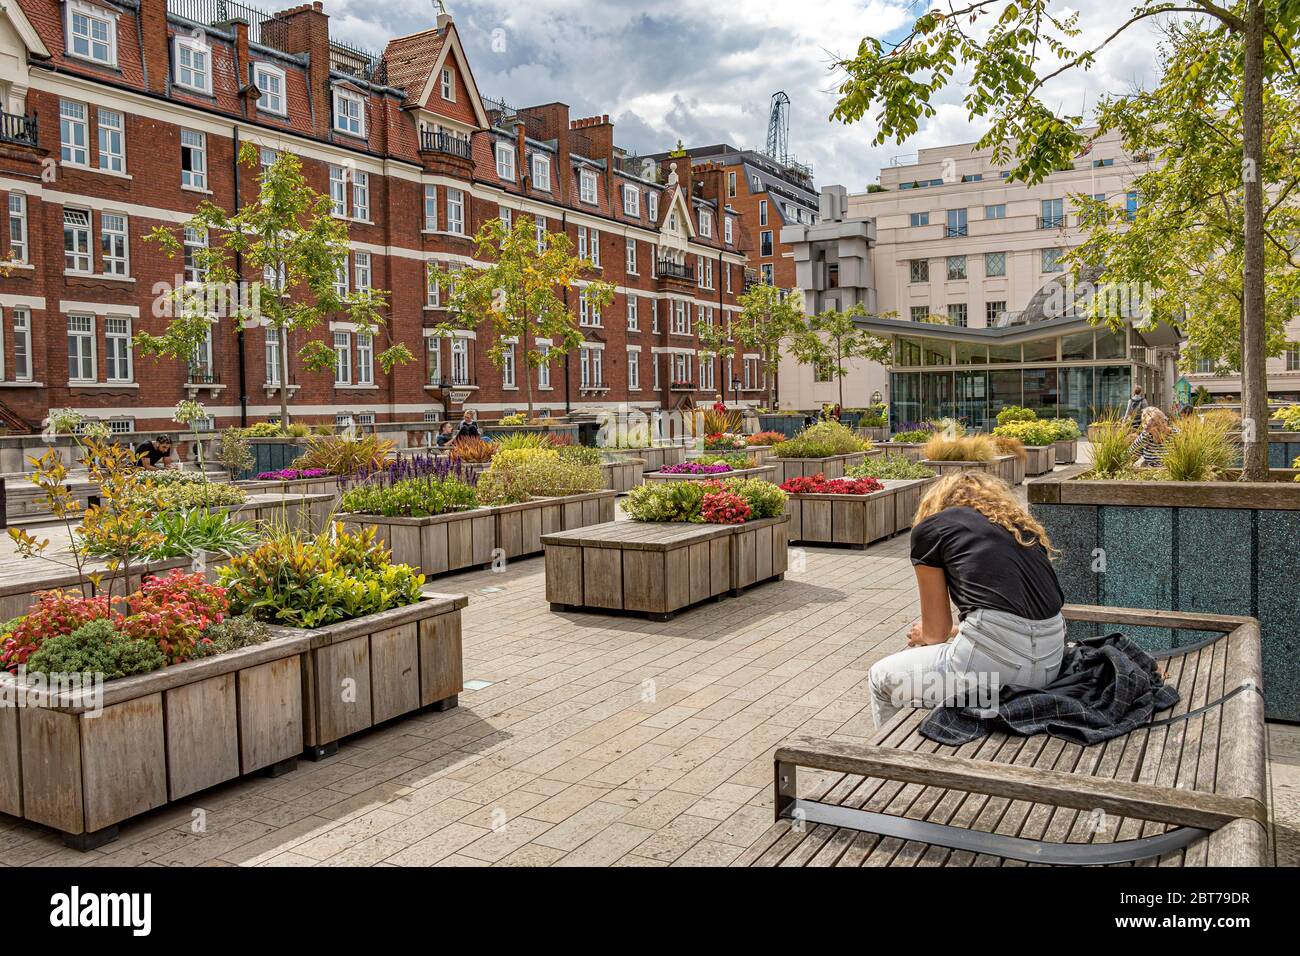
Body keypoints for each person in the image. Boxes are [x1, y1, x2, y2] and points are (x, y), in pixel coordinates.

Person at [868, 471, 1067, 729]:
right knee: (933, 676)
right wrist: (956, 631)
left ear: (937, 502)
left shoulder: (932, 530)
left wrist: (924, 636)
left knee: (881, 678)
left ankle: (892, 761)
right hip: (1050, 666)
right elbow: (1017, 619)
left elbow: (935, 633)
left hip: (989, 673)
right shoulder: (1020, 528)